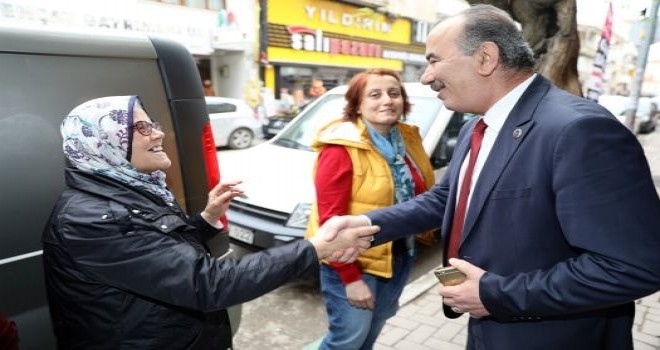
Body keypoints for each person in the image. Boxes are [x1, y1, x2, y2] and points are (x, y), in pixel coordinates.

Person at [317, 5, 660, 350]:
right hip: (487, 327)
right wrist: (365, 224)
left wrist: (495, 294)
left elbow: (633, 267)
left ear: (485, 58)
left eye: (434, 60)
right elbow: (447, 197)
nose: (425, 77)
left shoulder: (578, 130)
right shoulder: (475, 127)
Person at [42, 95, 378, 349]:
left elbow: (160, 256)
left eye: (153, 123)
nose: (157, 133)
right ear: (103, 140)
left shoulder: (129, 189)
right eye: (141, 127)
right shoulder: (92, 218)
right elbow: (208, 284)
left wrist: (205, 219)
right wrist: (315, 248)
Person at [305, 69, 435, 349]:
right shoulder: (340, 148)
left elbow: (422, 195)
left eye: (394, 93)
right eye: (374, 95)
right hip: (355, 263)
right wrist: (351, 279)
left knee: (370, 335)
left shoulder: (407, 140)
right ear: (357, 104)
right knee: (346, 341)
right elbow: (330, 224)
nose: (386, 100)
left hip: (399, 256)